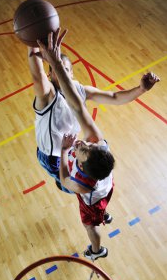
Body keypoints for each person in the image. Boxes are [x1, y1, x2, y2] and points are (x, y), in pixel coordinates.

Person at [35, 28, 160, 260]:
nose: (84, 142)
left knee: (90, 225)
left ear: (80, 168)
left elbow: (64, 180)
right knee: (103, 196)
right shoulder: (98, 146)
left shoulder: (83, 186)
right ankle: (105, 213)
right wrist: (142, 89)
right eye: (89, 145)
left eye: (81, 150)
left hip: (94, 199)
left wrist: (64, 152)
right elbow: (80, 106)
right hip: (106, 187)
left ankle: (97, 250)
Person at [28, 40, 160, 196]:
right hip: (53, 155)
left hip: (75, 147)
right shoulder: (47, 95)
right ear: (49, 74)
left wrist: (141, 89)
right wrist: (32, 41)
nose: (62, 72)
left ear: (71, 73)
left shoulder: (80, 90)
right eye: (58, 69)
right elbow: (37, 76)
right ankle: (84, 194)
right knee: (71, 186)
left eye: (66, 69)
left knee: (87, 178)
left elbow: (115, 97)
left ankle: (93, 199)